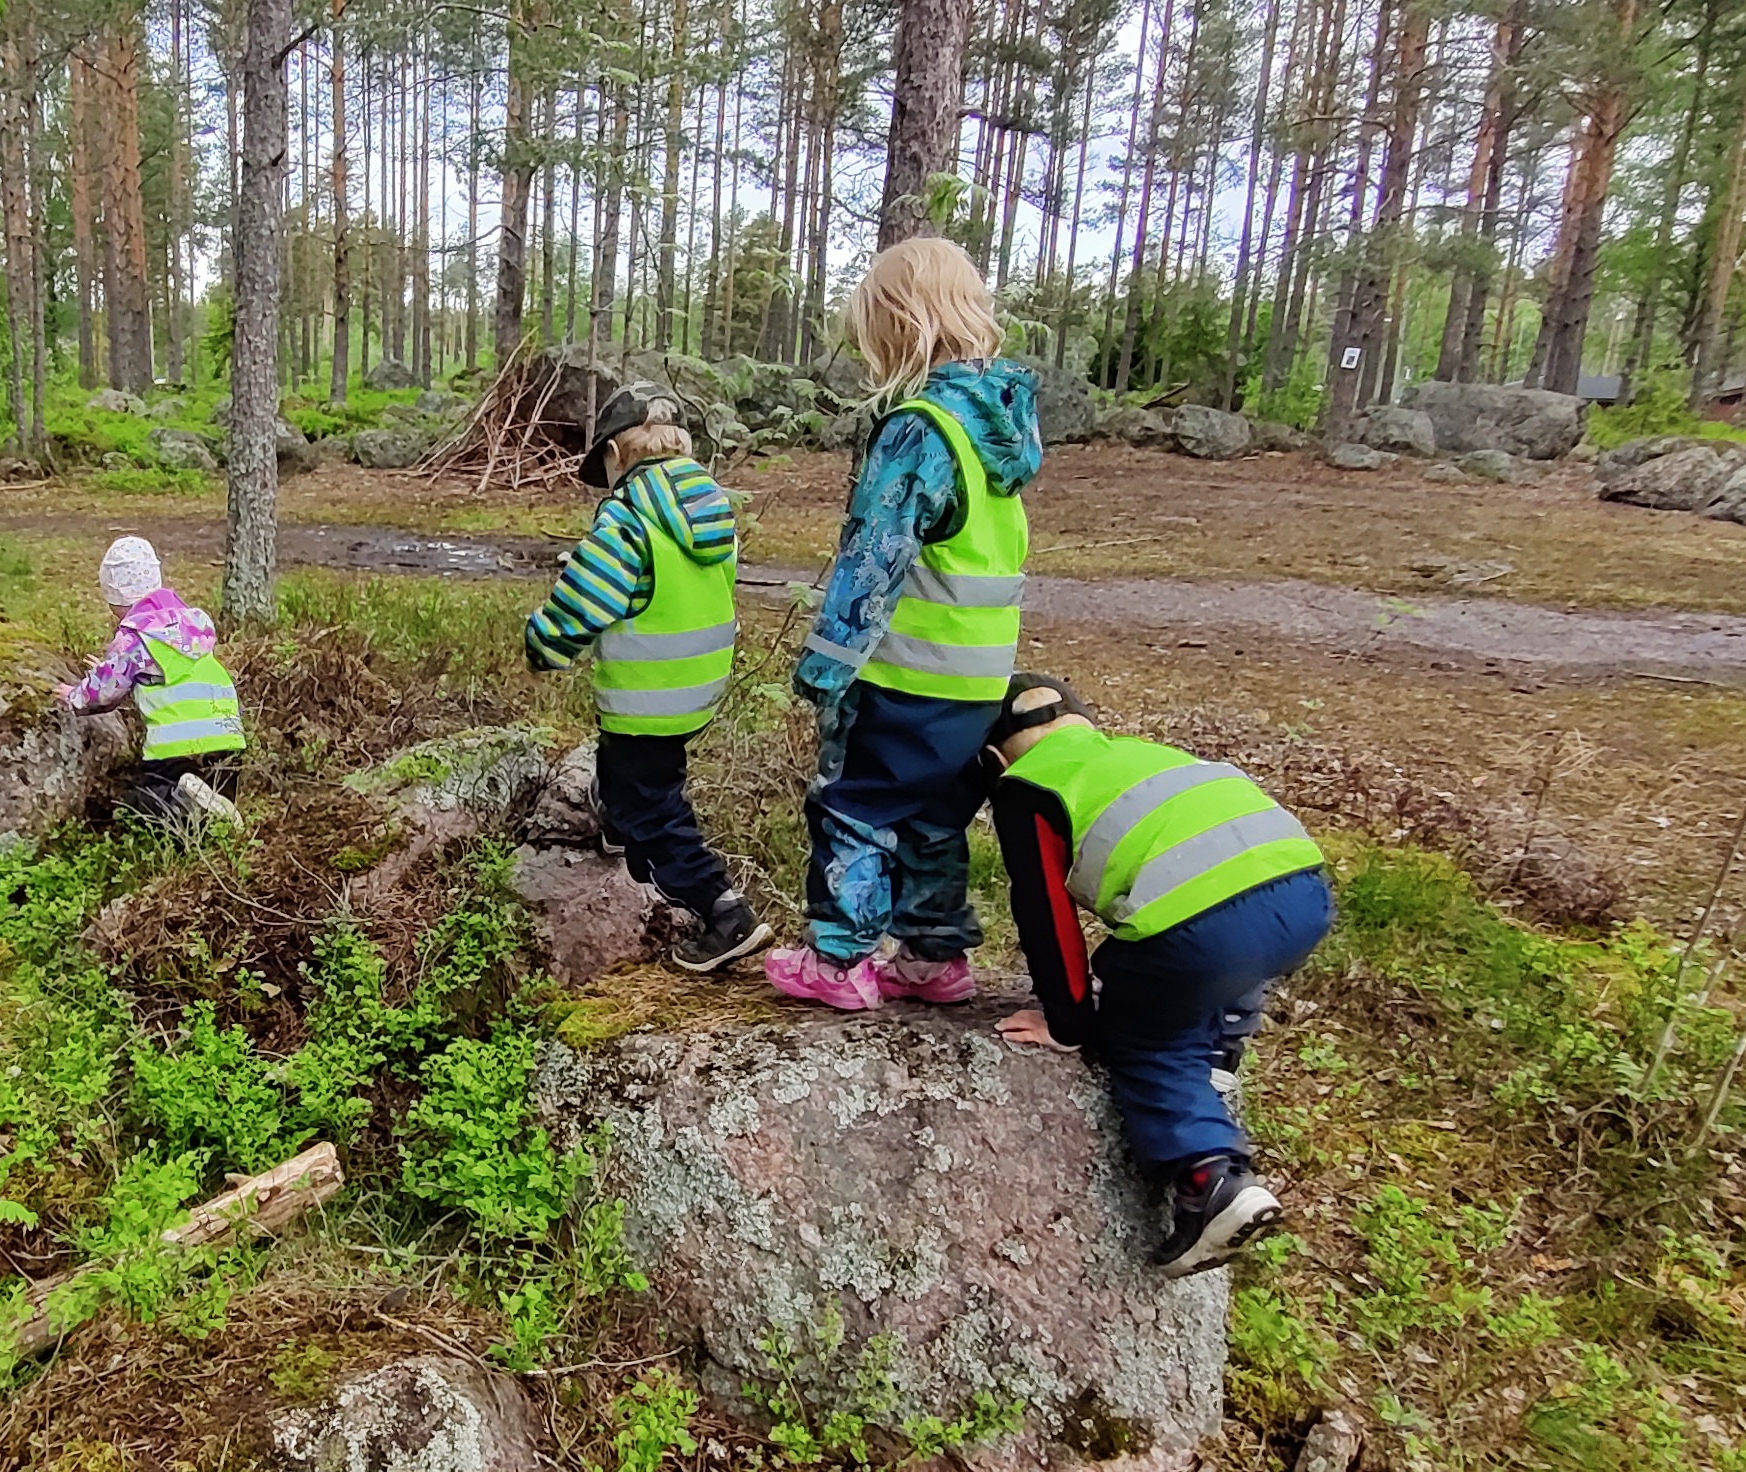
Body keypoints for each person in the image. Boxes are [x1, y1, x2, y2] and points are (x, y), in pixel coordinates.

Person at [762, 236, 1041, 1010]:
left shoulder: (920, 430)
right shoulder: (1000, 435)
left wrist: (825, 664)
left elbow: (873, 559)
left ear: (899, 324)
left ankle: (838, 959)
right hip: (975, 683)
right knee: (933, 816)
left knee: (852, 805)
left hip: (900, 677)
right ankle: (932, 956)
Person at [982, 673, 1332, 1278]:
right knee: (1226, 946)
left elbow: (1046, 916)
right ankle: (1220, 1051)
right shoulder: (1145, 756)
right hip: (1306, 892)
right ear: (1085, 723)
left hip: (1204, 931)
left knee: (1144, 1037)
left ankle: (1210, 1181)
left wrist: (1068, 1023)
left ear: (993, 759)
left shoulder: (1028, 787)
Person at [522, 384, 775, 973]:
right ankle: (616, 816)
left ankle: (723, 911)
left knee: (655, 811)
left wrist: (543, 644)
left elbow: (585, 599)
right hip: (695, 686)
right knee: (638, 771)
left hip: (645, 695)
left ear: (616, 453)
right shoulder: (710, 509)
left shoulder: (629, 516)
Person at [62, 536, 245, 830]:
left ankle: (176, 801)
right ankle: (213, 812)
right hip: (227, 738)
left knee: (141, 803)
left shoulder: (135, 638)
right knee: (216, 808)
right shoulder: (192, 625)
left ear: (115, 595)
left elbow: (106, 691)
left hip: (178, 747)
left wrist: (73, 696)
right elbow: (165, 671)